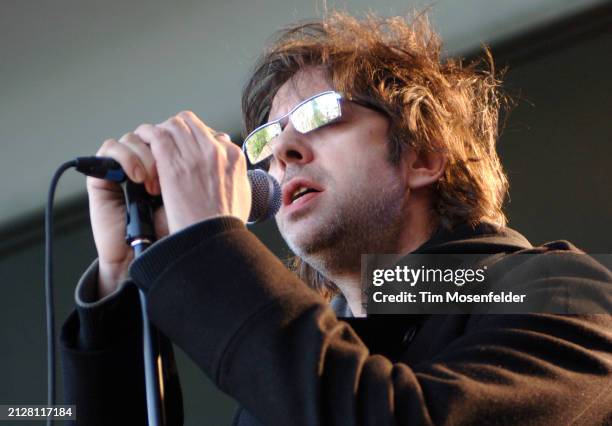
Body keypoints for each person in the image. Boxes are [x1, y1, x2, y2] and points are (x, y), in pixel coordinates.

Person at [60, 12, 612, 426]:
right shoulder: (290, 369)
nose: (283, 153)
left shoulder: (561, 291)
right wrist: (123, 280)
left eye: (319, 114)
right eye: (267, 140)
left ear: (423, 156)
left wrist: (210, 241)